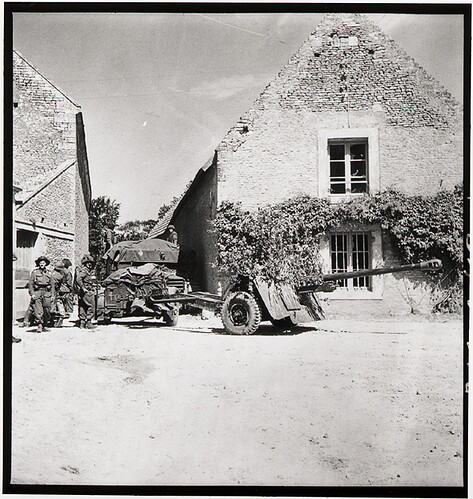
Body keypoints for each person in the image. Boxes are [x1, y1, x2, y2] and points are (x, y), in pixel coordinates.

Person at [28, 256, 55, 333]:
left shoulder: (49, 273)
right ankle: (39, 325)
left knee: (47, 309)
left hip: (47, 292)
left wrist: (53, 295)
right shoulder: (35, 272)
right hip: (37, 292)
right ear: (38, 264)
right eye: (40, 262)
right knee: (38, 309)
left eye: (43, 262)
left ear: (46, 264)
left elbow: (52, 285)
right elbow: (30, 284)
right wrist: (32, 293)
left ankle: (45, 324)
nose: (42, 264)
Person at [74, 254, 97, 330]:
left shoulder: (88, 271)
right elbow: (78, 278)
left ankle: (82, 323)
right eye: (88, 263)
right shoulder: (85, 271)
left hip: (85, 290)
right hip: (87, 291)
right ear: (85, 264)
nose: (90, 264)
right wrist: (83, 288)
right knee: (91, 306)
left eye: (91, 263)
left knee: (83, 306)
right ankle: (88, 322)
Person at [51, 261, 67, 327]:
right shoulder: (59, 275)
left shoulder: (51, 273)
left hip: (51, 291)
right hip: (54, 291)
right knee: (55, 304)